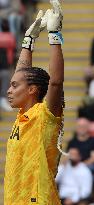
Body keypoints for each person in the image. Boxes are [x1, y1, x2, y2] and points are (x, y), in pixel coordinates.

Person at [4, 1, 65, 204]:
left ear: (32, 90)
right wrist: (28, 40)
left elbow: (55, 82)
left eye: (14, 86)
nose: (8, 90)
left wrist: (54, 35)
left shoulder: (46, 115)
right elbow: (22, 75)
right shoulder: (23, 117)